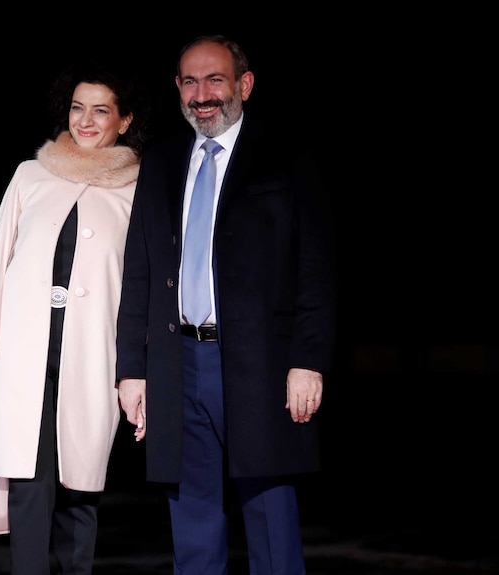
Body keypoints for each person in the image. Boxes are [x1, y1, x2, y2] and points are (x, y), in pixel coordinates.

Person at [115, 35, 336, 574]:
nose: (202, 94)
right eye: (190, 81)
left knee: (269, 516)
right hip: (178, 365)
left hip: (258, 363)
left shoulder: (284, 156)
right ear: (177, 88)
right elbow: (139, 272)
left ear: (244, 84)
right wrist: (132, 370)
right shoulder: (163, 162)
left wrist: (307, 361)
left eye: (215, 79)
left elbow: (315, 268)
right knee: (191, 519)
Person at [0, 57, 150, 575]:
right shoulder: (30, 174)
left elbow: (143, 286)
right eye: (78, 107)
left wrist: (139, 368)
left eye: (100, 110)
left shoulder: (140, 189)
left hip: (92, 357)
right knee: (28, 486)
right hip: (21, 355)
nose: (85, 121)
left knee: (81, 489)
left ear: (123, 120)